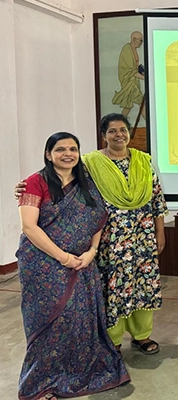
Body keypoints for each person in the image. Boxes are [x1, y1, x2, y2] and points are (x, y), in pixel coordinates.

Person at [15, 113, 168, 355]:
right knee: (112, 287)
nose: (119, 135)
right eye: (112, 131)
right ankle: (113, 338)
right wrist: (24, 188)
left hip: (143, 235)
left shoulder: (144, 161)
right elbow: (61, 176)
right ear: (104, 135)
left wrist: (160, 231)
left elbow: (156, 199)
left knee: (143, 284)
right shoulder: (90, 164)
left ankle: (142, 335)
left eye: (123, 130)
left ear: (129, 132)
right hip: (110, 238)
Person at [16, 132, 129, 400]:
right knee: (50, 322)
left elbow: (98, 218)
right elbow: (29, 227)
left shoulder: (86, 183)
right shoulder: (35, 182)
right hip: (42, 265)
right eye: (60, 149)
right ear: (48, 154)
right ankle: (41, 382)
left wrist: (92, 252)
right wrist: (63, 257)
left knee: (80, 319)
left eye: (73, 149)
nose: (68, 154)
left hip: (82, 263)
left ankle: (79, 372)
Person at [112, 31, 146, 119]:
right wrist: (145, 78)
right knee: (141, 102)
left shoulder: (133, 49)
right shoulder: (127, 49)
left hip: (133, 81)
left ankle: (120, 122)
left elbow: (134, 68)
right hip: (128, 81)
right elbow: (130, 70)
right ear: (134, 40)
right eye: (140, 40)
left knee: (128, 105)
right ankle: (150, 124)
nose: (141, 42)